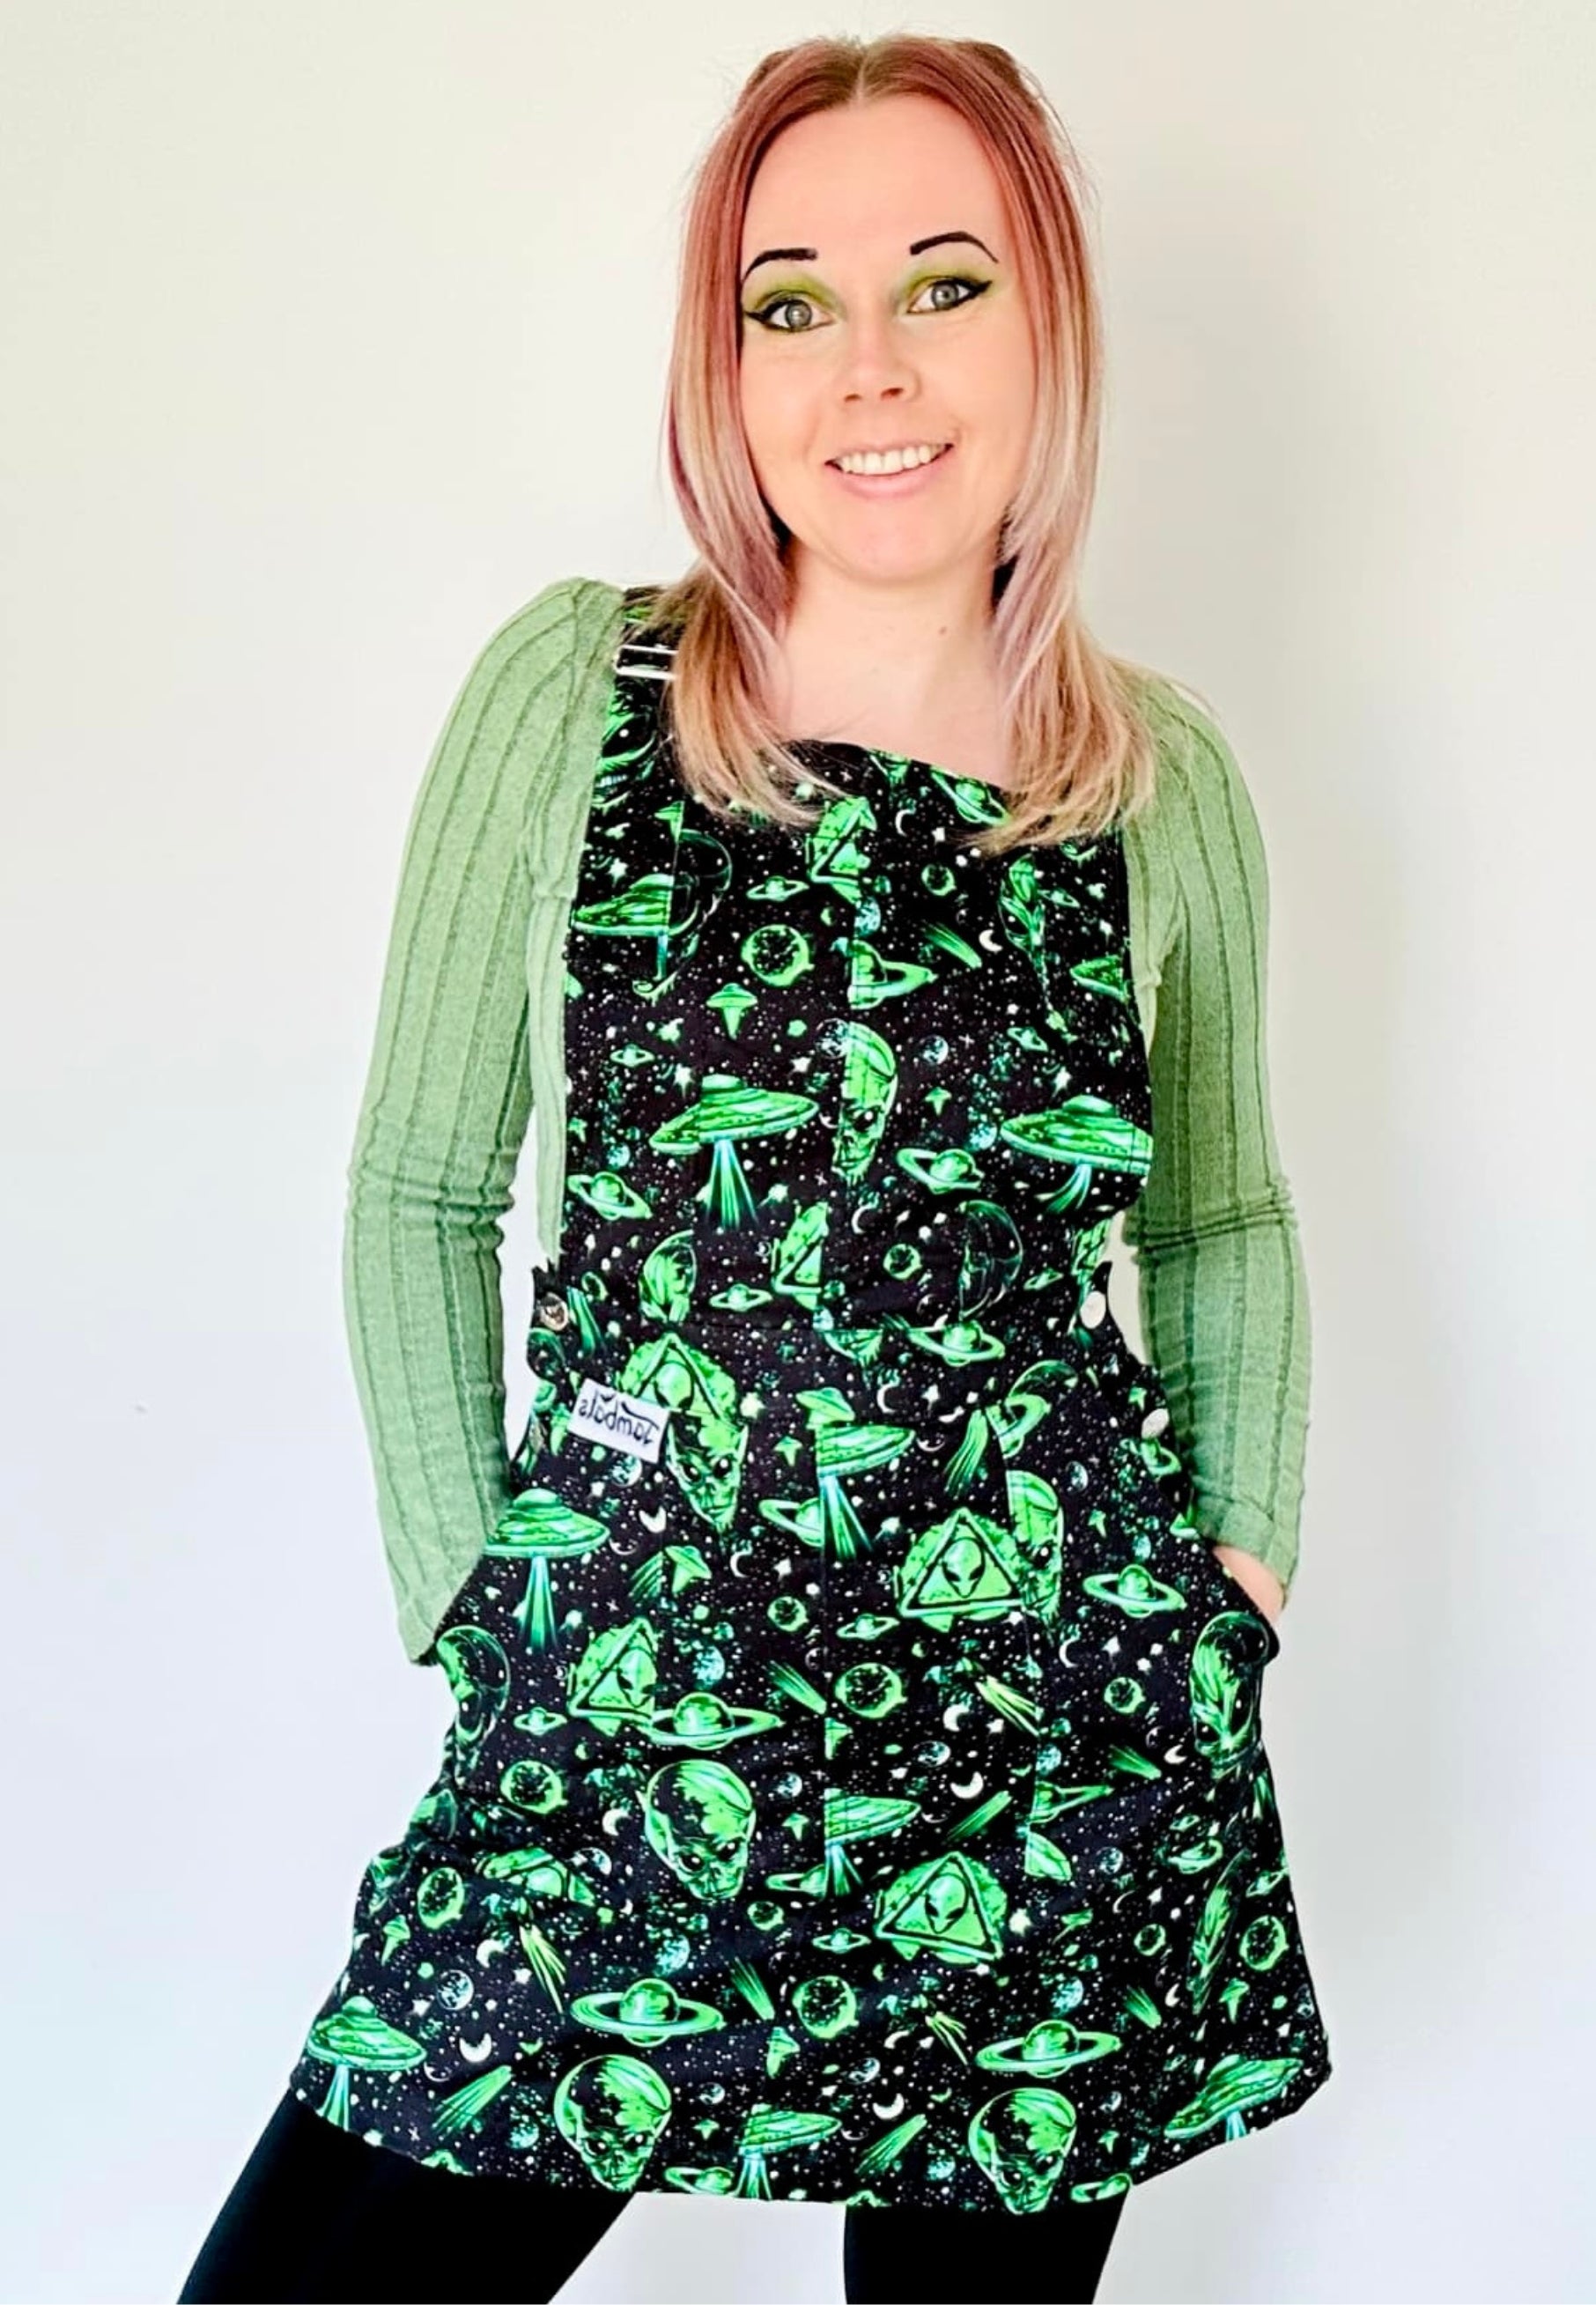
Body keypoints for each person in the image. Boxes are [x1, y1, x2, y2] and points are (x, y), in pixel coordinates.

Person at [179, 33, 1333, 2305]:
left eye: (947, 283)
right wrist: (473, 1598)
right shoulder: (574, 698)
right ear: (723, 359)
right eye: (790, 302)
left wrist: (1235, 1583)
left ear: (1052, 330)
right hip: (620, 1722)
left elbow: (1225, 1216)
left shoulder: (1158, 782)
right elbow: (419, 1185)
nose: (871, 369)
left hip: (1046, 1748)